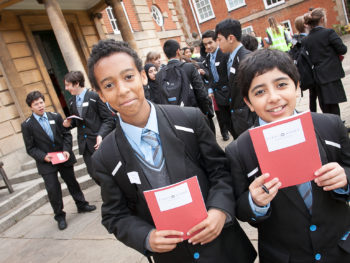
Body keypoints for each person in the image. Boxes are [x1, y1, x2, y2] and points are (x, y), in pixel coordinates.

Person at [87, 39, 257, 263]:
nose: (123, 90)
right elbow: (114, 215)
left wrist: (219, 210)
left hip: (222, 247)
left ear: (143, 76)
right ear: (100, 94)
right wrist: (147, 238)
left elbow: (220, 171)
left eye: (128, 77)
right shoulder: (105, 157)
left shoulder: (189, 119)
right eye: (109, 85)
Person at [226, 49, 350, 263]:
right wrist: (255, 201)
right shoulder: (239, 150)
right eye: (260, 92)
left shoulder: (330, 125)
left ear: (297, 85)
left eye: (281, 85)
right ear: (248, 103)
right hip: (284, 256)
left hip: (340, 247)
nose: (274, 98)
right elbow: (241, 208)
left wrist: (345, 178)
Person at [21, 91, 96, 230]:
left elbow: (66, 134)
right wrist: (44, 156)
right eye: (36, 104)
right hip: (46, 162)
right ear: (31, 107)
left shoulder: (55, 116)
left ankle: (82, 204)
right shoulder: (27, 125)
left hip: (63, 157)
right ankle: (60, 216)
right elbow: (30, 148)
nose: (40, 106)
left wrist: (67, 150)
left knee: (72, 182)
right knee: (53, 189)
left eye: (41, 102)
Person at [63, 71, 115, 184]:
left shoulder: (94, 96)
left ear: (76, 83)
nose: (66, 88)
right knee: (93, 174)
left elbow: (108, 119)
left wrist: (101, 134)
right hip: (85, 145)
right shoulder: (71, 102)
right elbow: (77, 122)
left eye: (68, 85)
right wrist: (69, 124)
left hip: (99, 143)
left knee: (110, 172)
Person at [215, 18, 256, 139]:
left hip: (249, 119)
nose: (218, 44)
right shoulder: (230, 57)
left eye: (219, 39)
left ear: (231, 38)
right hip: (240, 118)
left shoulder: (246, 59)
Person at [303, 8, 347, 116]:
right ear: (322, 19)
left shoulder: (306, 39)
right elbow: (342, 49)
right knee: (334, 103)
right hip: (331, 73)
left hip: (317, 75)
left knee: (325, 105)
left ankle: (332, 127)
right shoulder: (328, 33)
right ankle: (337, 127)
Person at [156, 39, 212, 120]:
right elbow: (201, 92)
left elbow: (160, 99)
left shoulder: (159, 75)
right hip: (195, 113)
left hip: (175, 117)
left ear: (166, 54)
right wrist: (207, 111)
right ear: (178, 51)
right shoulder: (189, 67)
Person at [202, 30, 232, 141]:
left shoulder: (225, 54)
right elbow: (210, 76)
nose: (208, 46)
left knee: (235, 123)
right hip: (218, 96)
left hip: (229, 94)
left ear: (216, 41)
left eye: (210, 43)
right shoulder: (209, 57)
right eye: (205, 44)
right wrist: (210, 89)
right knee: (226, 123)